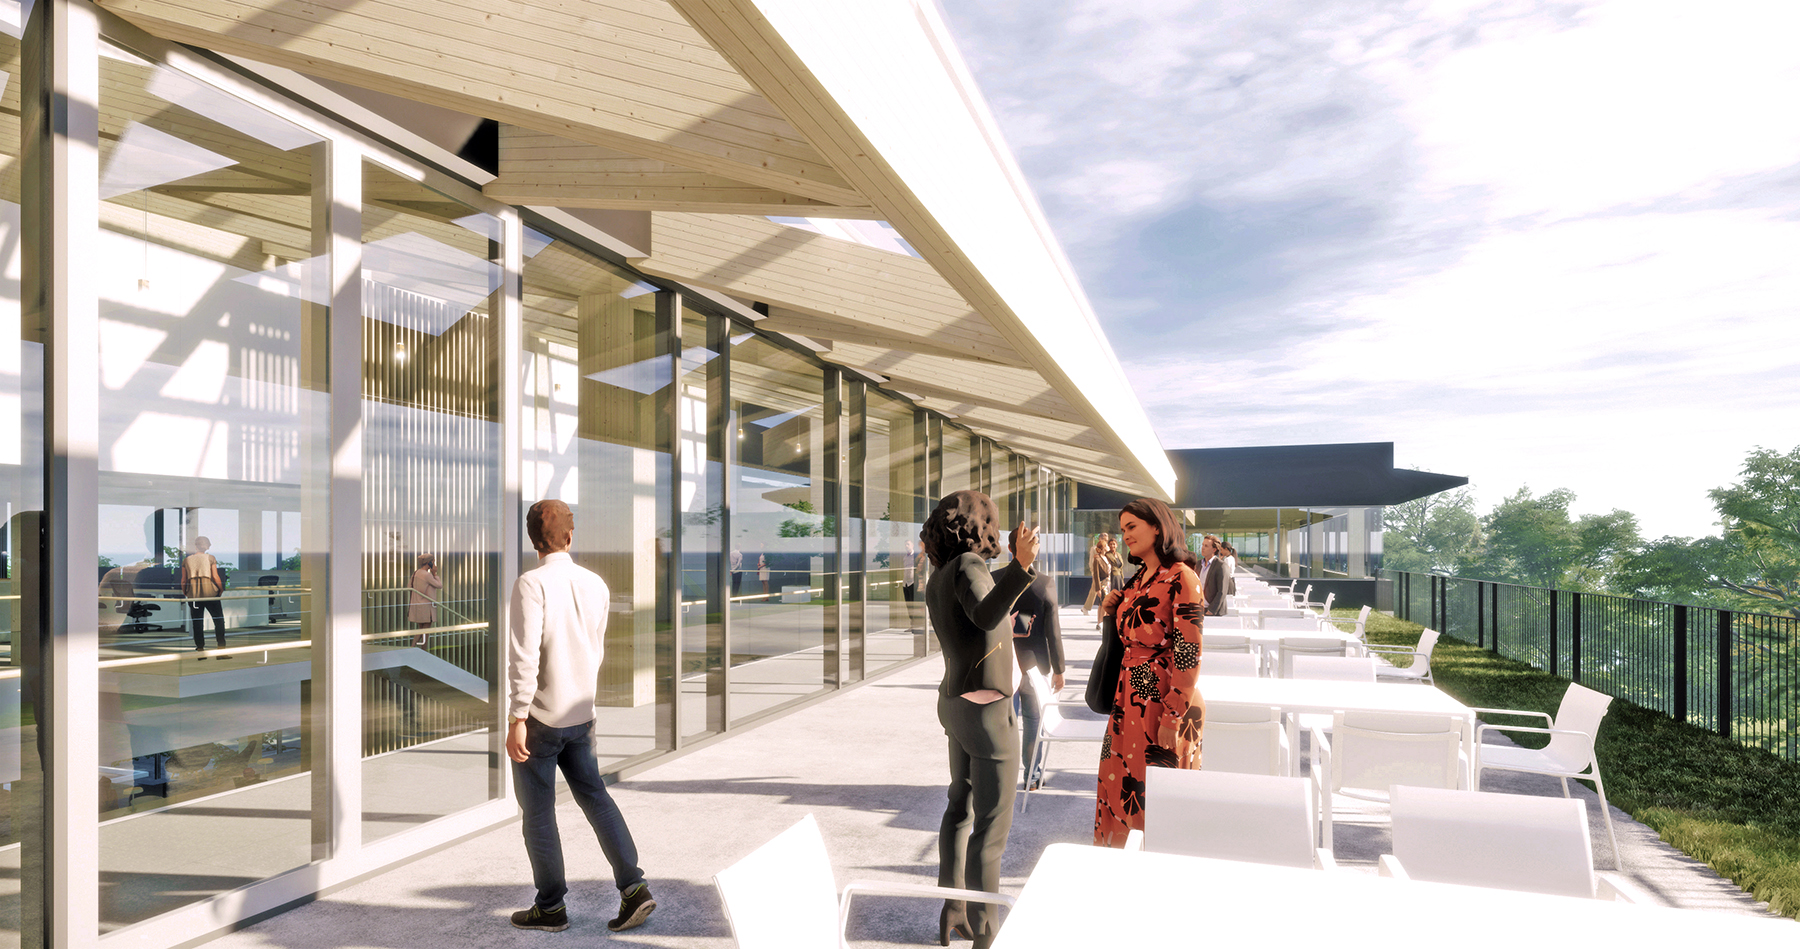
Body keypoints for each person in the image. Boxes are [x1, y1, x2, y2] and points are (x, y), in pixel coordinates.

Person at [505, 499, 655, 934]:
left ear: (534, 540)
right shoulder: (596, 584)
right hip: (582, 714)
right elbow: (595, 648)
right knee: (596, 798)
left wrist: (517, 717)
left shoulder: (531, 584)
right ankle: (634, 889)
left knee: (538, 814)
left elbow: (523, 656)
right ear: (570, 536)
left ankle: (550, 907)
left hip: (541, 719)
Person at [923, 490, 1037, 949]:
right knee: (990, 828)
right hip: (986, 711)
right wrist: (1022, 566)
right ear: (978, 524)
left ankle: (953, 911)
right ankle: (987, 933)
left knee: (958, 809)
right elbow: (987, 613)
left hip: (955, 703)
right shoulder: (970, 565)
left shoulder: (940, 575)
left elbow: (980, 623)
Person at [1094, 497, 1204, 848]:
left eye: (1131, 526)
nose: (1124, 534)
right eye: (1122, 528)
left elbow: (1188, 652)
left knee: (1156, 793)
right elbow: (1126, 640)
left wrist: (1173, 715)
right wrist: (1110, 611)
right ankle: (1123, 868)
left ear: (1157, 526)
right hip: (1128, 699)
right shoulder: (1138, 579)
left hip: (1163, 700)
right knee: (1120, 787)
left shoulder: (1182, 578)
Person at [1007, 527, 1064, 792]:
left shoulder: (994, 578)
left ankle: (1001, 776)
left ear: (1010, 550)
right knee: (1032, 722)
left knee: (1005, 723)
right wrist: (1059, 669)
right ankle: (1032, 775)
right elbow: (1053, 631)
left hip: (1002, 664)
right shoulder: (1044, 583)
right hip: (1034, 665)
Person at [181, 536, 228, 659]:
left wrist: (186, 592)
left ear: (195, 545)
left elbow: (183, 580)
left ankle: (201, 650)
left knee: (197, 622)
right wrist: (221, 588)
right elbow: (215, 576)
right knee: (218, 621)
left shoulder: (187, 560)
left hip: (194, 595)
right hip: (210, 594)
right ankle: (221, 649)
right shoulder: (210, 558)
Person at [408, 553, 443, 647]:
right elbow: (439, 585)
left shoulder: (416, 573)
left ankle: (414, 648)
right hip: (426, 607)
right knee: (425, 631)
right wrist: (435, 573)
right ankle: (419, 649)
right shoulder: (427, 575)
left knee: (421, 630)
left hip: (418, 605)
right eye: (433, 562)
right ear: (429, 563)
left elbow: (409, 587)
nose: (434, 564)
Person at [1198, 534, 1228, 617]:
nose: (1203, 548)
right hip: (1199, 609)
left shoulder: (1221, 566)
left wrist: (1211, 611)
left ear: (1214, 549)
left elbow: (1222, 591)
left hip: (1214, 611)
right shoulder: (1198, 564)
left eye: (1206, 546)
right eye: (1202, 545)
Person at [1081, 534, 1109, 615]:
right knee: (1095, 589)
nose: (1105, 541)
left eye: (1107, 540)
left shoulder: (1108, 548)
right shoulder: (1094, 549)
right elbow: (1091, 561)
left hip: (1106, 573)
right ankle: (1086, 608)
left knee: (1095, 590)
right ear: (1100, 539)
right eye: (1104, 539)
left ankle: (1086, 608)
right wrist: (1093, 571)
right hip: (1097, 573)